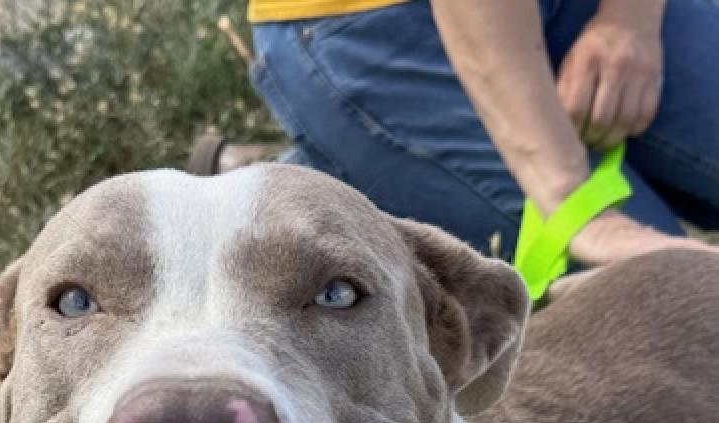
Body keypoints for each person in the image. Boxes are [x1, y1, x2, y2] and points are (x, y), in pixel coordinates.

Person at [223, 0, 719, 266]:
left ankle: (307, 169)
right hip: (369, 21)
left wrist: (629, 22)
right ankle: (267, 197)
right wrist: (577, 207)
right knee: (667, 291)